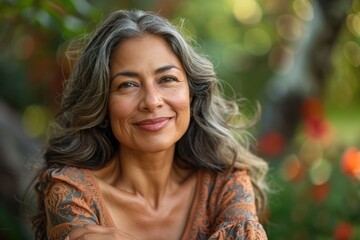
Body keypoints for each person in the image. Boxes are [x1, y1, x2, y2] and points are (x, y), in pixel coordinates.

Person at [31, 9, 269, 240]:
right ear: (102, 103)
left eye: (167, 79)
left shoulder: (226, 183)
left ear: (192, 94)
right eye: (128, 85)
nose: (152, 102)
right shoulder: (72, 191)